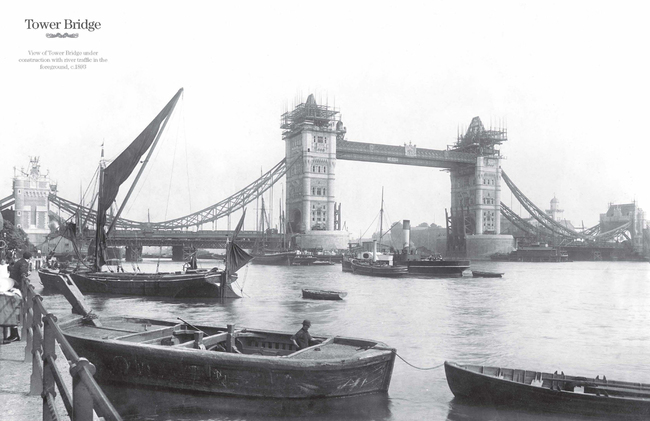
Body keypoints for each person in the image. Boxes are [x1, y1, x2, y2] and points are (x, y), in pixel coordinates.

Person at [3, 252, 31, 343]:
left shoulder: (19, 261)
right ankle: (14, 334)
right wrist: (25, 275)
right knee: (12, 310)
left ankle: (14, 334)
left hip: (11, 285)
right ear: (30, 258)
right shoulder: (24, 263)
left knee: (11, 310)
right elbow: (23, 271)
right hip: (15, 286)